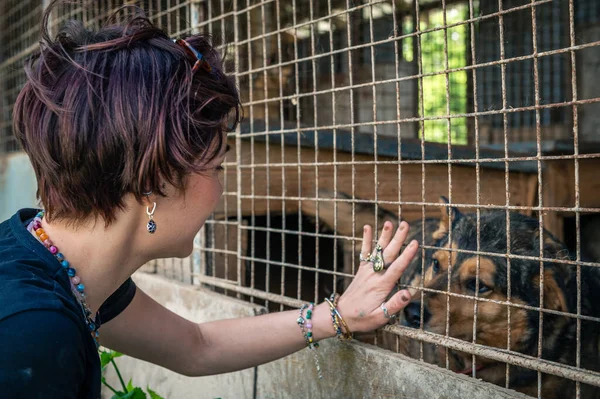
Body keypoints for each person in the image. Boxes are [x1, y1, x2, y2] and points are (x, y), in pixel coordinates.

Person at [0, 2, 417, 398]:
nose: (221, 188)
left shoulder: (58, 266)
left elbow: (195, 346)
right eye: (216, 167)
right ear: (155, 181)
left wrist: (338, 314)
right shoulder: (33, 332)